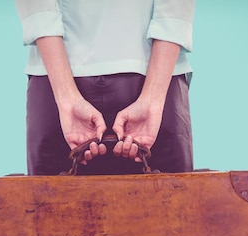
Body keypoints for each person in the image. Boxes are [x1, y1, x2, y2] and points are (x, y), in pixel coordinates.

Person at [15, 0, 195, 175]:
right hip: (160, 74)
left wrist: (66, 98)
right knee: (174, 199)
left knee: (45, 201)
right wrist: (153, 99)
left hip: (54, 76)